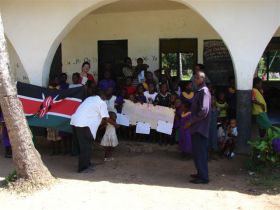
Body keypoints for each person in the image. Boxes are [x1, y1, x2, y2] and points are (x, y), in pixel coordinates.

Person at [70, 88, 109, 173]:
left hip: (75, 122)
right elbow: (105, 118)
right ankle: (83, 168)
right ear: (102, 96)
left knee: (85, 146)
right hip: (85, 125)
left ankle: (87, 163)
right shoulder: (101, 103)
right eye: (105, 97)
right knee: (86, 146)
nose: (106, 99)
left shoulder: (89, 99)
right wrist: (109, 124)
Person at [186, 71, 211, 184]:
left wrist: (191, 121)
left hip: (200, 128)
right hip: (197, 128)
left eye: (196, 78)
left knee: (200, 153)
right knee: (197, 152)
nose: (194, 80)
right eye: (194, 78)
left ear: (202, 79)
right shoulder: (199, 91)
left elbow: (204, 110)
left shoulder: (204, 92)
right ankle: (200, 173)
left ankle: (204, 177)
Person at [47, 78, 62, 155]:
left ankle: (58, 150)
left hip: (57, 116)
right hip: (51, 115)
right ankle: (54, 150)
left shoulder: (59, 93)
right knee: (51, 134)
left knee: (58, 134)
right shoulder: (49, 95)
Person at [208, 93, 218, 158]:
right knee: (208, 140)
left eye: (213, 99)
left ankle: (212, 154)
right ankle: (208, 155)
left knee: (214, 139)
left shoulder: (217, 109)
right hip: (208, 127)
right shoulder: (207, 109)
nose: (212, 101)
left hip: (214, 127)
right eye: (211, 99)